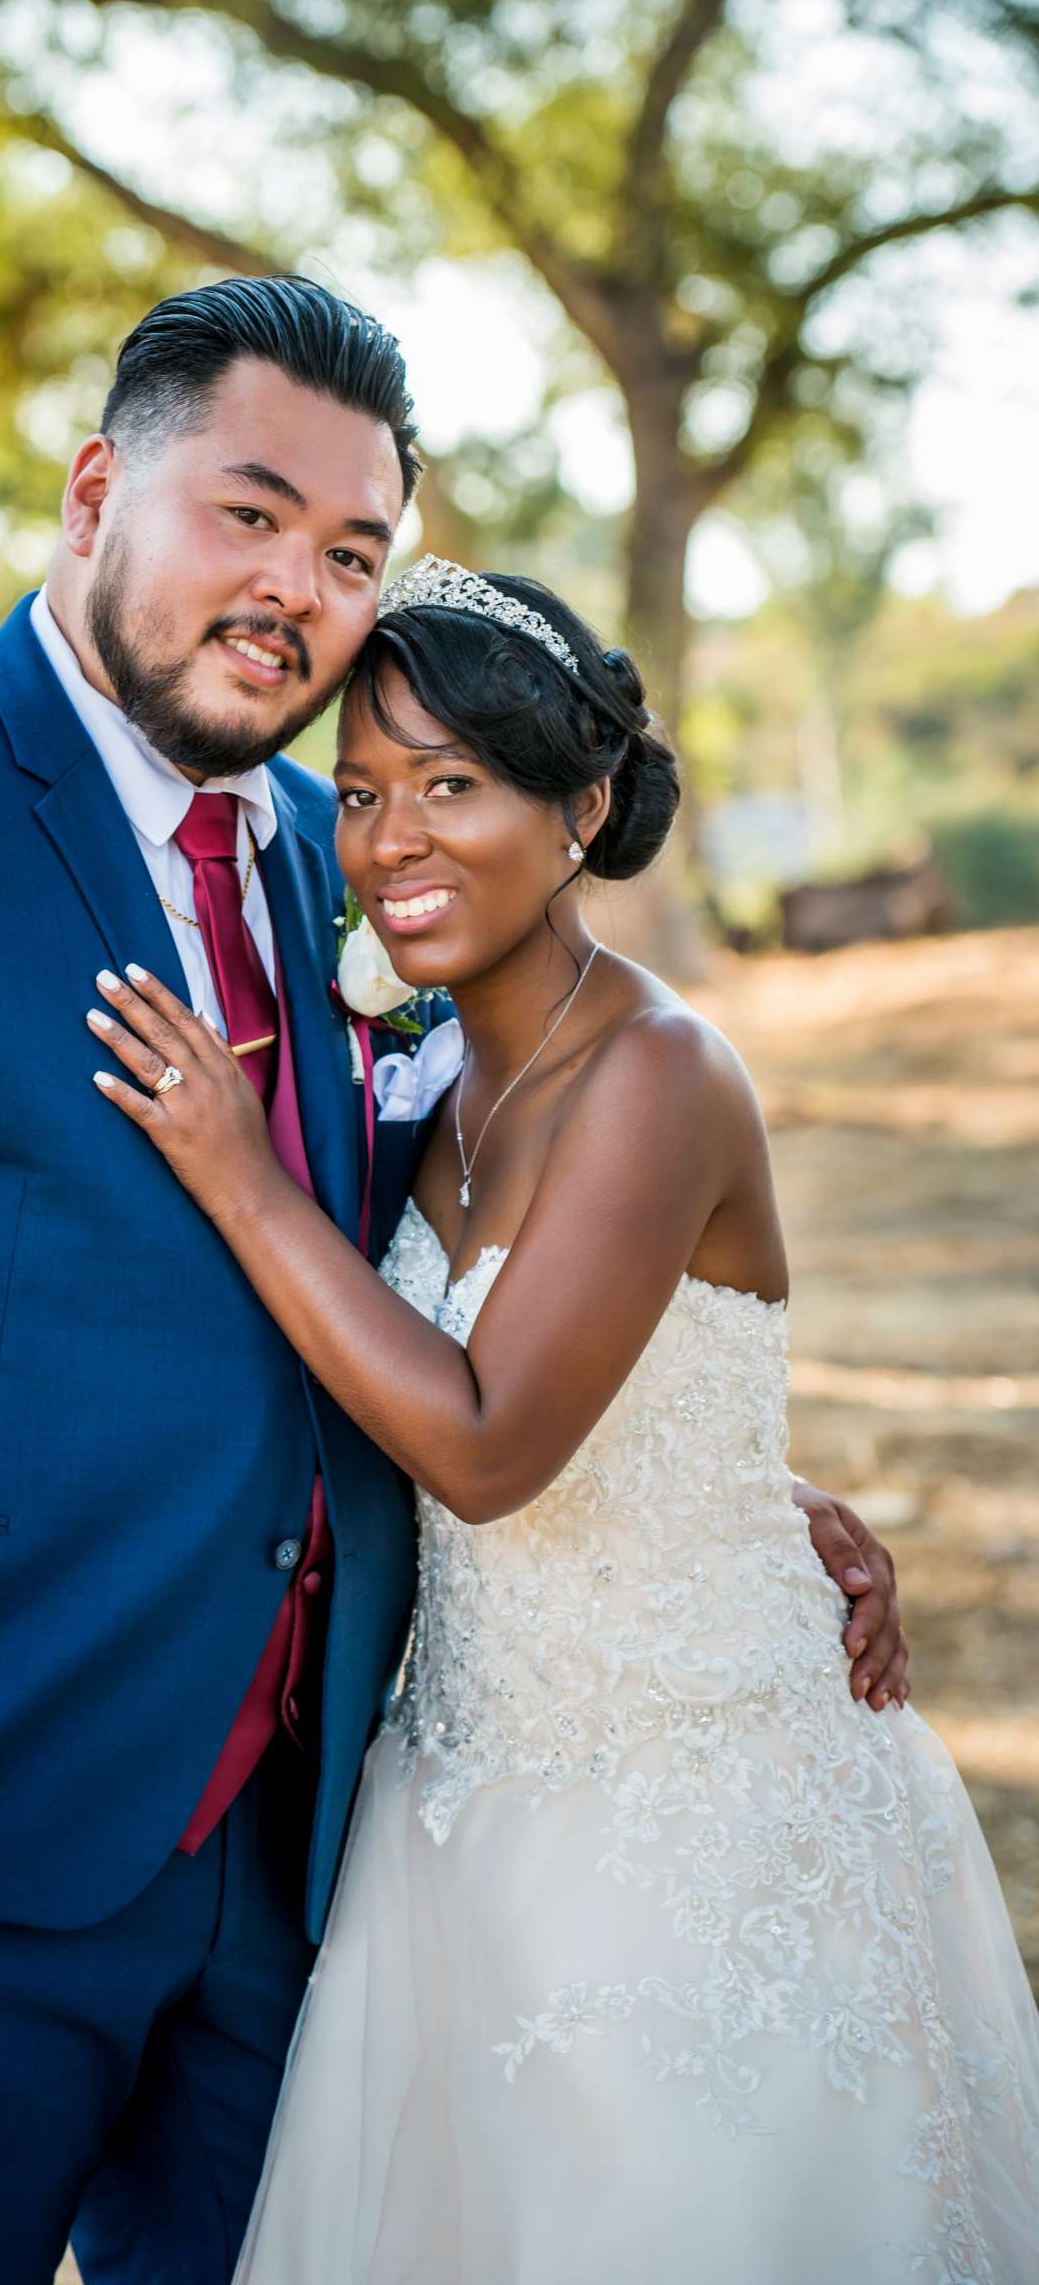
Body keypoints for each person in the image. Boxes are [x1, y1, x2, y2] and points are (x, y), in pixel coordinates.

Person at [0, 279, 907, 2285]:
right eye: (250, 514)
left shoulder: (340, 849)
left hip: (312, 1852)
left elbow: (429, 1260)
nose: (298, 587)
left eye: (353, 552)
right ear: (101, 488)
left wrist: (696, 1492)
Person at [88, 553, 1039, 2284]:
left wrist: (239, 1174)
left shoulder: (662, 1073)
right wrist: (764, 1477)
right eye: (362, 795)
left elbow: (484, 1439)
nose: (392, 843)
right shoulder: (433, 1073)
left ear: (581, 804)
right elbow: (595, 1368)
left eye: (453, 785)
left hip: (694, 1799)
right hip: (456, 1791)